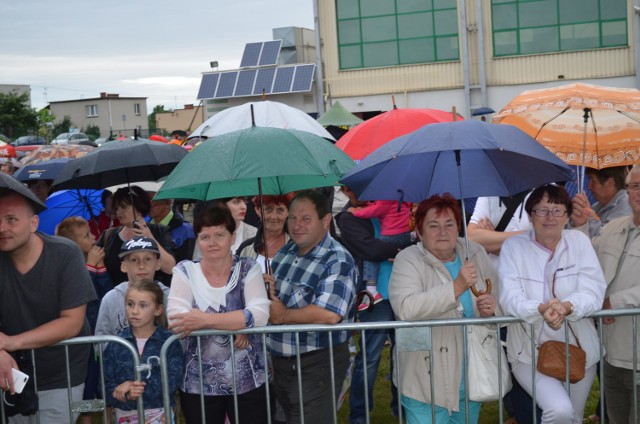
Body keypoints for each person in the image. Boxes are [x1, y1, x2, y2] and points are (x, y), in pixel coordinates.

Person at [498, 184, 606, 424]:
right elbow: (509, 297)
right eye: (541, 210)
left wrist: (568, 306)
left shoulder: (579, 242)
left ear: (567, 215)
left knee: (574, 417)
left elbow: (594, 290)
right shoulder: (513, 248)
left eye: (557, 210)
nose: (550, 217)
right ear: (530, 215)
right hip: (528, 352)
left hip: (579, 351)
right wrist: (540, 309)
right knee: (559, 411)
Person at [388, 193, 499, 424]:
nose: (442, 232)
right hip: (424, 377)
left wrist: (490, 311)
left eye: (449, 224)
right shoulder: (408, 259)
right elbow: (406, 307)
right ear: (419, 231)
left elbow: (496, 299)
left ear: (458, 226)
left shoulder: (475, 252)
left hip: (470, 375)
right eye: (433, 225)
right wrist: (456, 287)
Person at [0, 174, 97, 423]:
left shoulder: (65, 253)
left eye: (11, 219)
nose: (2, 227)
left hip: (62, 375)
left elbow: (72, 322)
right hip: (11, 376)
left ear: (33, 223)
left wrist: (11, 343)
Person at [167, 205, 271, 424]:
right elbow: (176, 321)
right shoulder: (184, 271)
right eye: (205, 236)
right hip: (198, 384)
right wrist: (237, 322)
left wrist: (203, 320)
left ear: (232, 237)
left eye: (219, 235)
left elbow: (260, 315)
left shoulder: (248, 268)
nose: (212, 242)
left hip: (249, 380)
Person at [264, 190, 357, 424]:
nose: (296, 225)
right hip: (281, 364)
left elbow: (329, 314)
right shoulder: (285, 253)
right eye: (293, 218)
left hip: (316, 364)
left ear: (325, 221)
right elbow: (275, 301)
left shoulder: (337, 260)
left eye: (305, 218)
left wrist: (282, 315)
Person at [578, 165, 640, 424]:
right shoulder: (613, 228)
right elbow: (585, 259)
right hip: (610, 352)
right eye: (635, 186)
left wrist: (613, 303)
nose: (639, 192)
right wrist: (581, 226)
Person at [335, 186, 401, 424]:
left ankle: (401, 408)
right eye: (352, 189)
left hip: (403, 290)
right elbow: (370, 248)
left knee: (403, 354)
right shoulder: (347, 216)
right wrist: (400, 247)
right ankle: (359, 415)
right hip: (375, 298)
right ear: (347, 191)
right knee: (370, 357)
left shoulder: (392, 203)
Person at [55, 216, 114, 424]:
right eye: (86, 235)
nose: (94, 238)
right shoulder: (66, 268)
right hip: (78, 342)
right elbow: (81, 296)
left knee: (96, 385)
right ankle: (85, 418)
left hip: (96, 337)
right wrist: (89, 267)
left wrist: (99, 268)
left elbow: (105, 293)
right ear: (71, 243)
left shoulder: (94, 263)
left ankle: (95, 415)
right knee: (82, 384)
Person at [103, 280, 183, 424]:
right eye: (130, 304)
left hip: (160, 415)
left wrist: (134, 387)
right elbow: (105, 386)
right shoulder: (116, 344)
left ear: (158, 310)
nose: (135, 311)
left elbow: (173, 381)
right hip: (124, 416)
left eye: (143, 305)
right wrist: (125, 394)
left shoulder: (169, 343)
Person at [97, 185, 177, 287]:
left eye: (124, 207)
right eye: (117, 208)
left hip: (152, 297)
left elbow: (170, 268)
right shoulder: (108, 236)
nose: (119, 212)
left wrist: (150, 238)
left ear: (139, 207)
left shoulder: (159, 231)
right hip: (117, 298)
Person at [95, 236, 171, 338]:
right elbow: (101, 339)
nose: (141, 266)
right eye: (134, 260)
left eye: (148, 259)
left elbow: (180, 337)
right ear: (124, 266)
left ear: (158, 264)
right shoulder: (110, 299)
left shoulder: (170, 296)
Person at [347, 199, 412, 310]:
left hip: (391, 234)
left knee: (371, 255)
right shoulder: (402, 198)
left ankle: (371, 290)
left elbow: (374, 210)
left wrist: (355, 211)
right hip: (405, 233)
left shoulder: (386, 199)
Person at [570, 166, 631, 237]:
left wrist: (589, 217)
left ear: (610, 182)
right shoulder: (597, 206)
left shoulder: (626, 206)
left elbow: (605, 240)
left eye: (593, 180)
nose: (589, 186)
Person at [237, 194, 293, 272]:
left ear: (288, 212)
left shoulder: (297, 247)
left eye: (280, 210)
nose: (273, 216)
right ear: (257, 210)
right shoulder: (245, 248)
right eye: (268, 209)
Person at [193, 197, 257, 259]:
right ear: (222, 205)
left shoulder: (254, 233)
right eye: (236, 202)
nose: (243, 207)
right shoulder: (206, 232)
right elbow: (198, 261)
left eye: (244, 202)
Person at [147, 191, 196, 262]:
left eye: (153, 200)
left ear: (168, 202)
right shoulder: (144, 226)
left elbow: (186, 263)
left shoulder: (186, 230)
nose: (149, 204)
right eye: (146, 200)